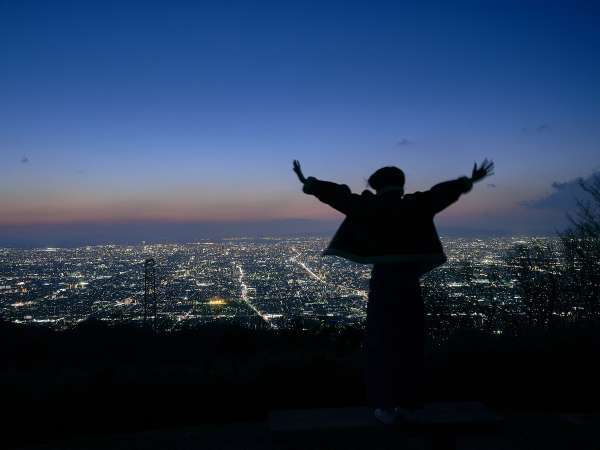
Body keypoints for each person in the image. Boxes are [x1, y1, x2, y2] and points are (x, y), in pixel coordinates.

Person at [292, 158, 494, 424]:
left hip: (384, 281)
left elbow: (338, 196)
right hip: (409, 281)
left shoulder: (369, 206)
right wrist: (468, 181)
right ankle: (408, 403)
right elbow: (440, 194)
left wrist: (308, 182)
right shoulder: (416, 205)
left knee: (382, 342)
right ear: (400, 185)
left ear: (377, 186)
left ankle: (385, 405)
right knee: (410, 341)